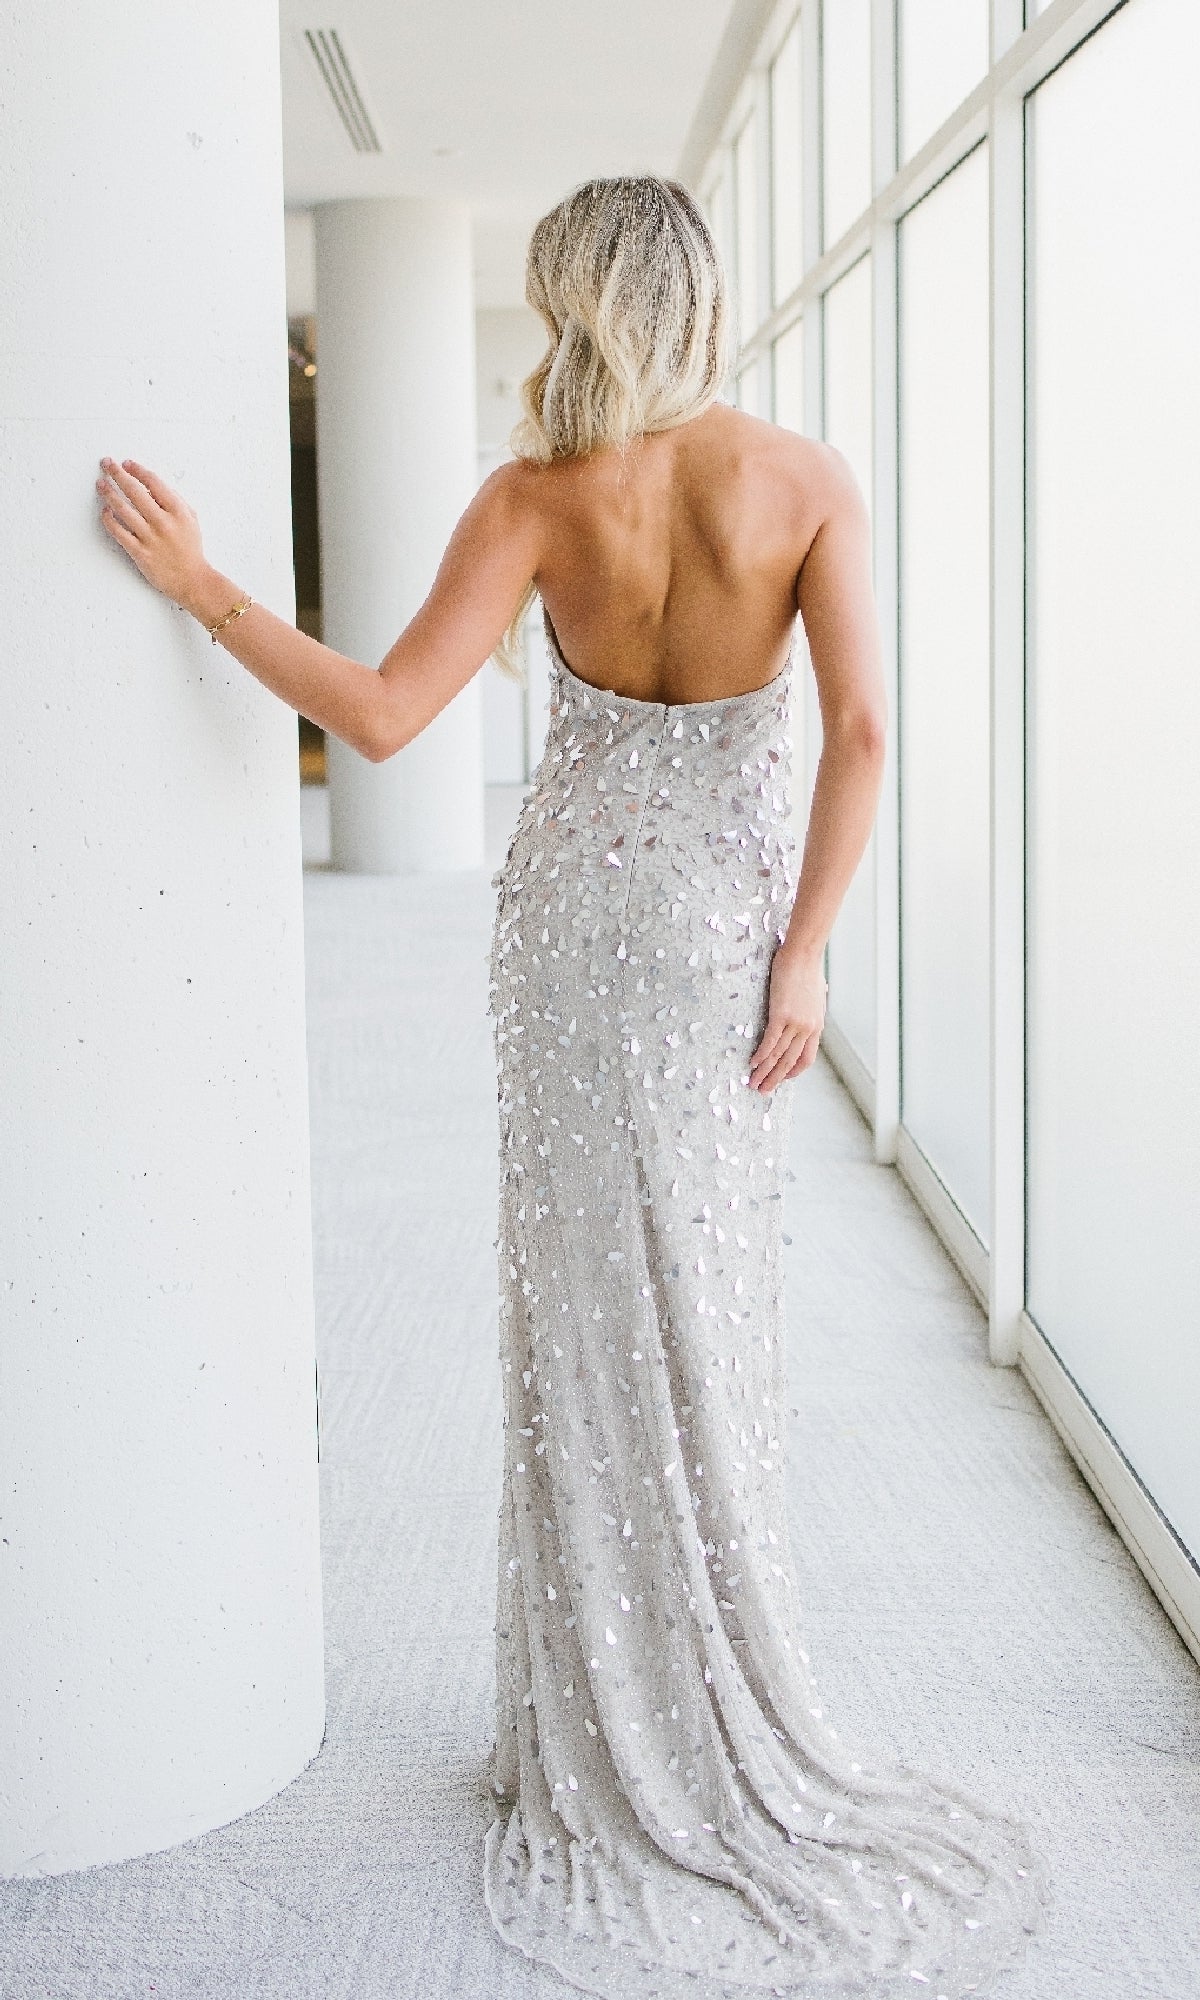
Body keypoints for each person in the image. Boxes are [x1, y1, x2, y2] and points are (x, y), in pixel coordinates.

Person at [96, 173, 1049, 1999]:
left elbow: (377, 715)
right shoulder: (802, 480)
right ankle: (712, 1687)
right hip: (715, 946)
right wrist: (808, 948)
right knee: (708, 1294)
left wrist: (208, 585)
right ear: (700, 296)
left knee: (590, 1311)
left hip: (571, 946)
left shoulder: (535, 497)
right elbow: (858, 732)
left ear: (574, 306)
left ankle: (614, 1712)